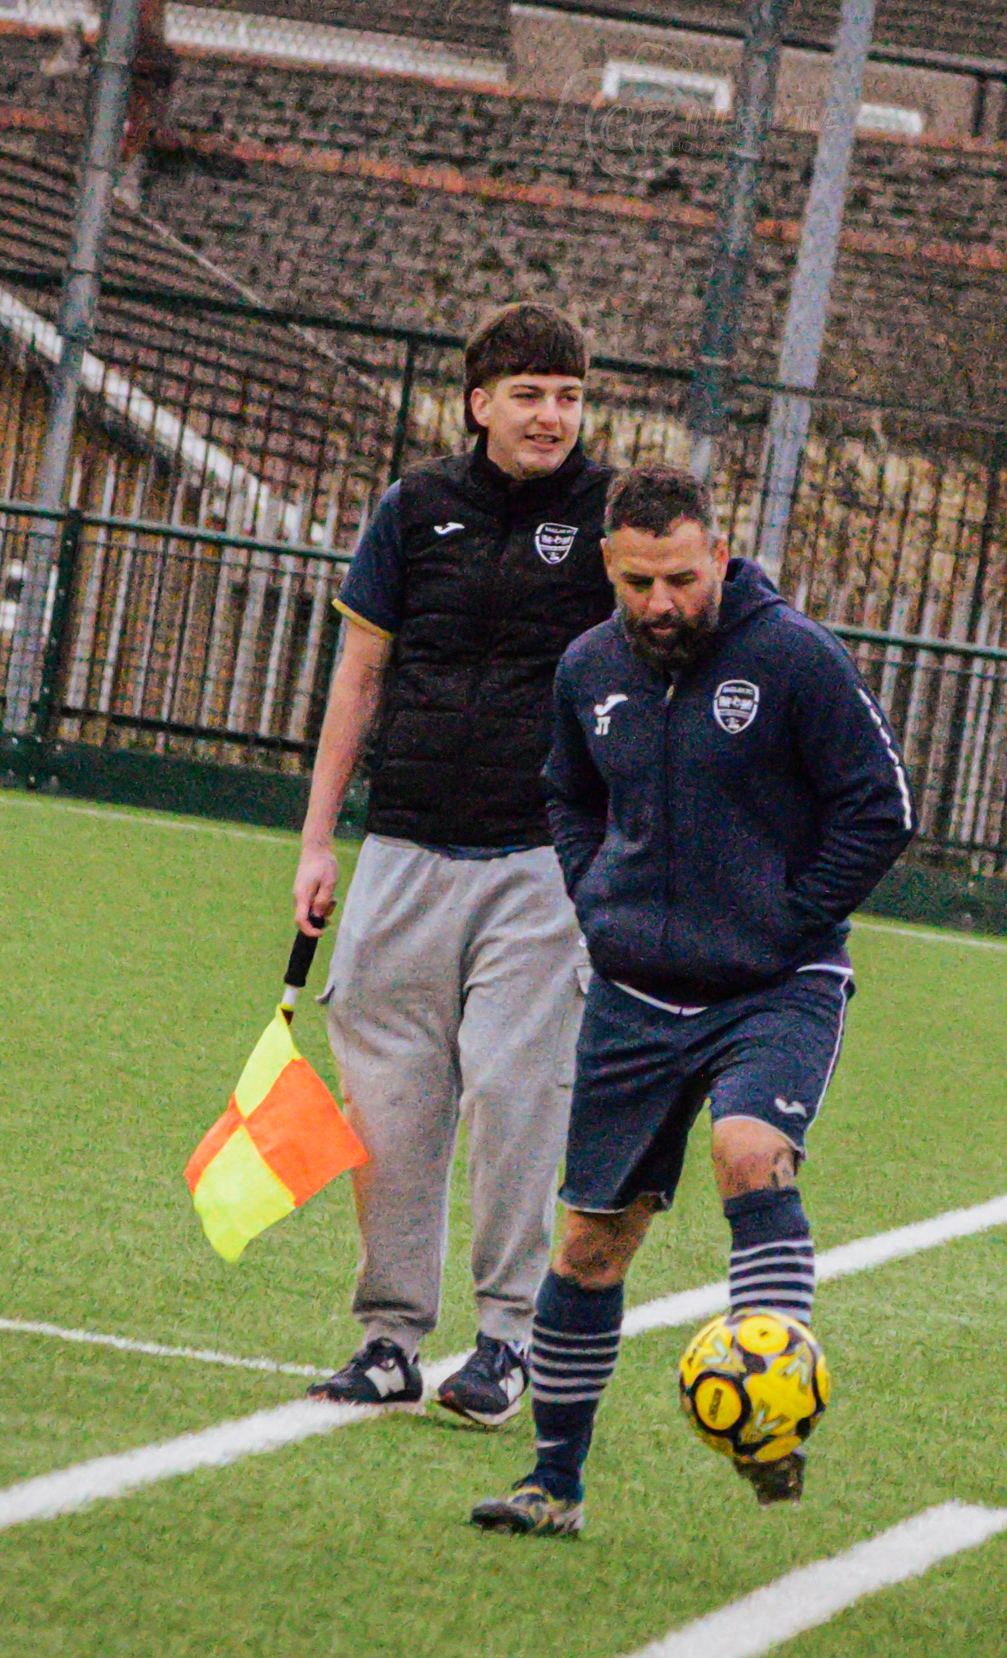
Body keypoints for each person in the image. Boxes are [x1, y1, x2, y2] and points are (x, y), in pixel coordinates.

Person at [470, 464, 915, 1537]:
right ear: (609, 570)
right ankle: (553, 1486)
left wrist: (785, 919)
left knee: (748, 1151)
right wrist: (596, 898)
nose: (660, 602)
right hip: (633, 990)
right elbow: (567, 797)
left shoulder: (793, 658)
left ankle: (771, 1409)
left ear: (719, 554)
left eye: (678, 576)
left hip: (774, 984)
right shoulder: (588, 670)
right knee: (587, 1247)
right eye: (637, 582)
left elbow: (880, 806)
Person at [293, 303, 615, 1426]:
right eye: (529, 393)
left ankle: (507, 1341)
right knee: (387, 1103)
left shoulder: (611, 518)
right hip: (405, 845)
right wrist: (318, 838)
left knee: (521, 1097)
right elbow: (359, 677)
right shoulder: (413, 508)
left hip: (543, 864)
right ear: (478, 402)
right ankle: (387, 1340)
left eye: (570, 395)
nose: (552, 416)